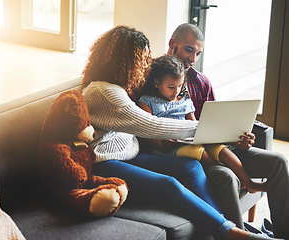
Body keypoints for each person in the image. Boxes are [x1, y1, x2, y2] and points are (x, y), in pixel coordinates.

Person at [81, 25, 276, 240]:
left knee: (191, 167)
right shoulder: (104, 92)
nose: (146, 65)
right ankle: (229, 232)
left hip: (130, 156)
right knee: (169, 184)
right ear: (124, 60)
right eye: (142, 59)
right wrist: (212, 129)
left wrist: (223, 133)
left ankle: (224, 227)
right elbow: (151, 125)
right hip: (105, 162)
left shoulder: (118, 87)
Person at [166, 23, 289, 239]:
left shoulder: (202, 82)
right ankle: (242, 234)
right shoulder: (153, 79)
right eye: (188, 49)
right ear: (172, 44)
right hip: (191, 154)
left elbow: (216, 125)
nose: (193, 59)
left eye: (198, 53)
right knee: (227, 175)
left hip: (219, 147)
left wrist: (238, 138)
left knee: (279, 161)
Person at [138, 55, 267, 194]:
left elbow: (195, 126)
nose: (176, 91)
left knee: (220, 149)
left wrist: (205, 136)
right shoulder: (147, 101)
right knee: (198, 151)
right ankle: (232, 175)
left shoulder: (184, 100)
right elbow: (149, 129)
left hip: (187, 140)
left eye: (179, 86)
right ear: (157, 83)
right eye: (171, 87)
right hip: (166, 147)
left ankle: (249, 182)